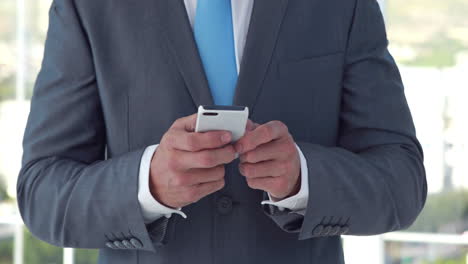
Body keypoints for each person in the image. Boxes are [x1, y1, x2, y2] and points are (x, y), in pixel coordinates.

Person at [17, 0, 427, 263]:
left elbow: (402, 182)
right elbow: (42, 194)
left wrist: (304, 177)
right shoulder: (88, 7)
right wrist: (147, 185)